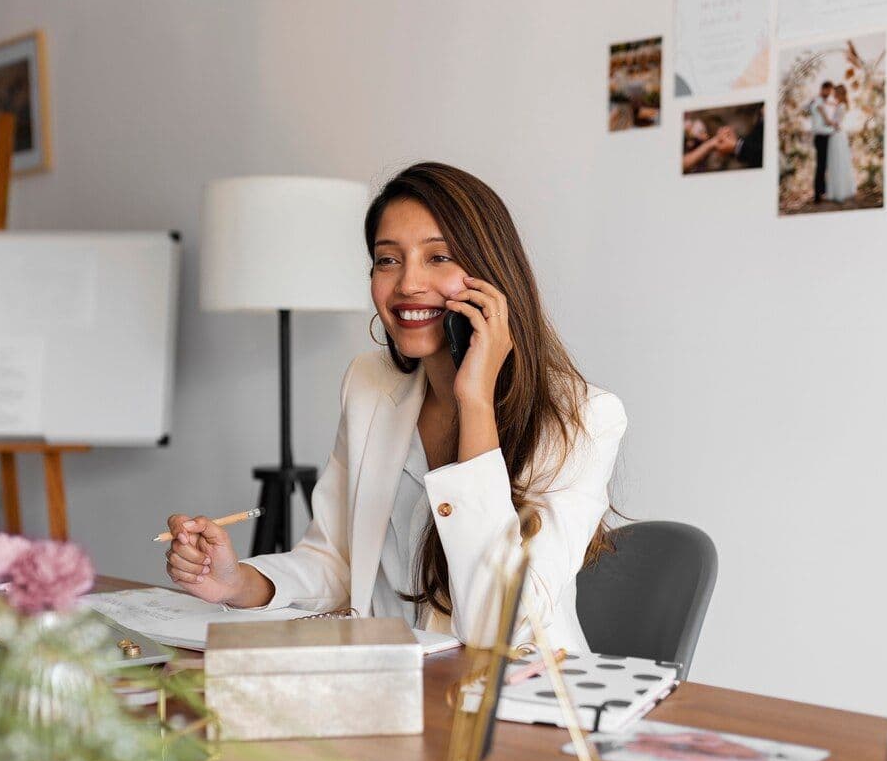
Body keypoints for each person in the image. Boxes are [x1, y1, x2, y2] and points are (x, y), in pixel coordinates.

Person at [164, 162, 627, 651]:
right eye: (388, 260)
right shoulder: (369, 384)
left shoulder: (584, 418)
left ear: (492, 275)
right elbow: (338, 561)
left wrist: (475, 405)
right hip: (389, 686)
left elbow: (498, 626)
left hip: (512, 703)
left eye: (439, 257)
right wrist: (236, 583)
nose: (408, 284)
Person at [824, 85, 856, 203]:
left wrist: (827, 121)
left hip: (837, 135)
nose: (834, 95)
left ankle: (839, 193)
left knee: (838, 162)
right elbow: (834, 106)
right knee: (837, 162)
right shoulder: (841, 105)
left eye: (836, 93)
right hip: (838, 136)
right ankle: (839, 191)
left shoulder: (841, 106)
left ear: (840, 93)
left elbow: (836, 123)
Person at [805, 81, 835, 203]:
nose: (829, 93)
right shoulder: (818, 101)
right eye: (828, 90)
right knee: (821, 166)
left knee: (824, 165)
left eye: (831, 91)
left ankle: (822, 191)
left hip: (823, 136)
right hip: (821, 137)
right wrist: (836, 126)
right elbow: (827, 121)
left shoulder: (818, 101)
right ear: (823, 89)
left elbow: (807, 109)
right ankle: (817, 195)